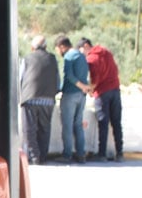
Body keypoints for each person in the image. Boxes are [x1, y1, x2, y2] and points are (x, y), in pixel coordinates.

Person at [79, 38, 123, 161]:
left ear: (86, 46)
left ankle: (102, 153)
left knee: (103, 123)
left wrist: (90, 90)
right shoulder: (107, 52)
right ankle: (119, 152)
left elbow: (95, 79)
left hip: (102, 92)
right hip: (115, 90)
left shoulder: (91, 59)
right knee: (116, 123)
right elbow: (116, 69)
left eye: (81, 50)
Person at [19, 35, 58, 164]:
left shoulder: (27, 59)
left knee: (29, 129)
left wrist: (20, 94)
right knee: (45, 129)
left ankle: (34, 157)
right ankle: (43, 156)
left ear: (32, 48)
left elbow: (20, 78)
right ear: (46, 47)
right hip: (48, 99)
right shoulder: (52, 59)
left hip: (30, 97)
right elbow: (57, 79)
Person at [55, 35, 90, 163]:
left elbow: (69, 75)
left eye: (57, 49)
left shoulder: (69, 57)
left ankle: (67, 155)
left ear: (62, 47)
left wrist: (81, 86)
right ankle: (81, 154)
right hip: (82, 96)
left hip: (70, 94)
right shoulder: (82, 56)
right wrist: (84, 88)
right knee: (78, 125)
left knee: (67, 126)